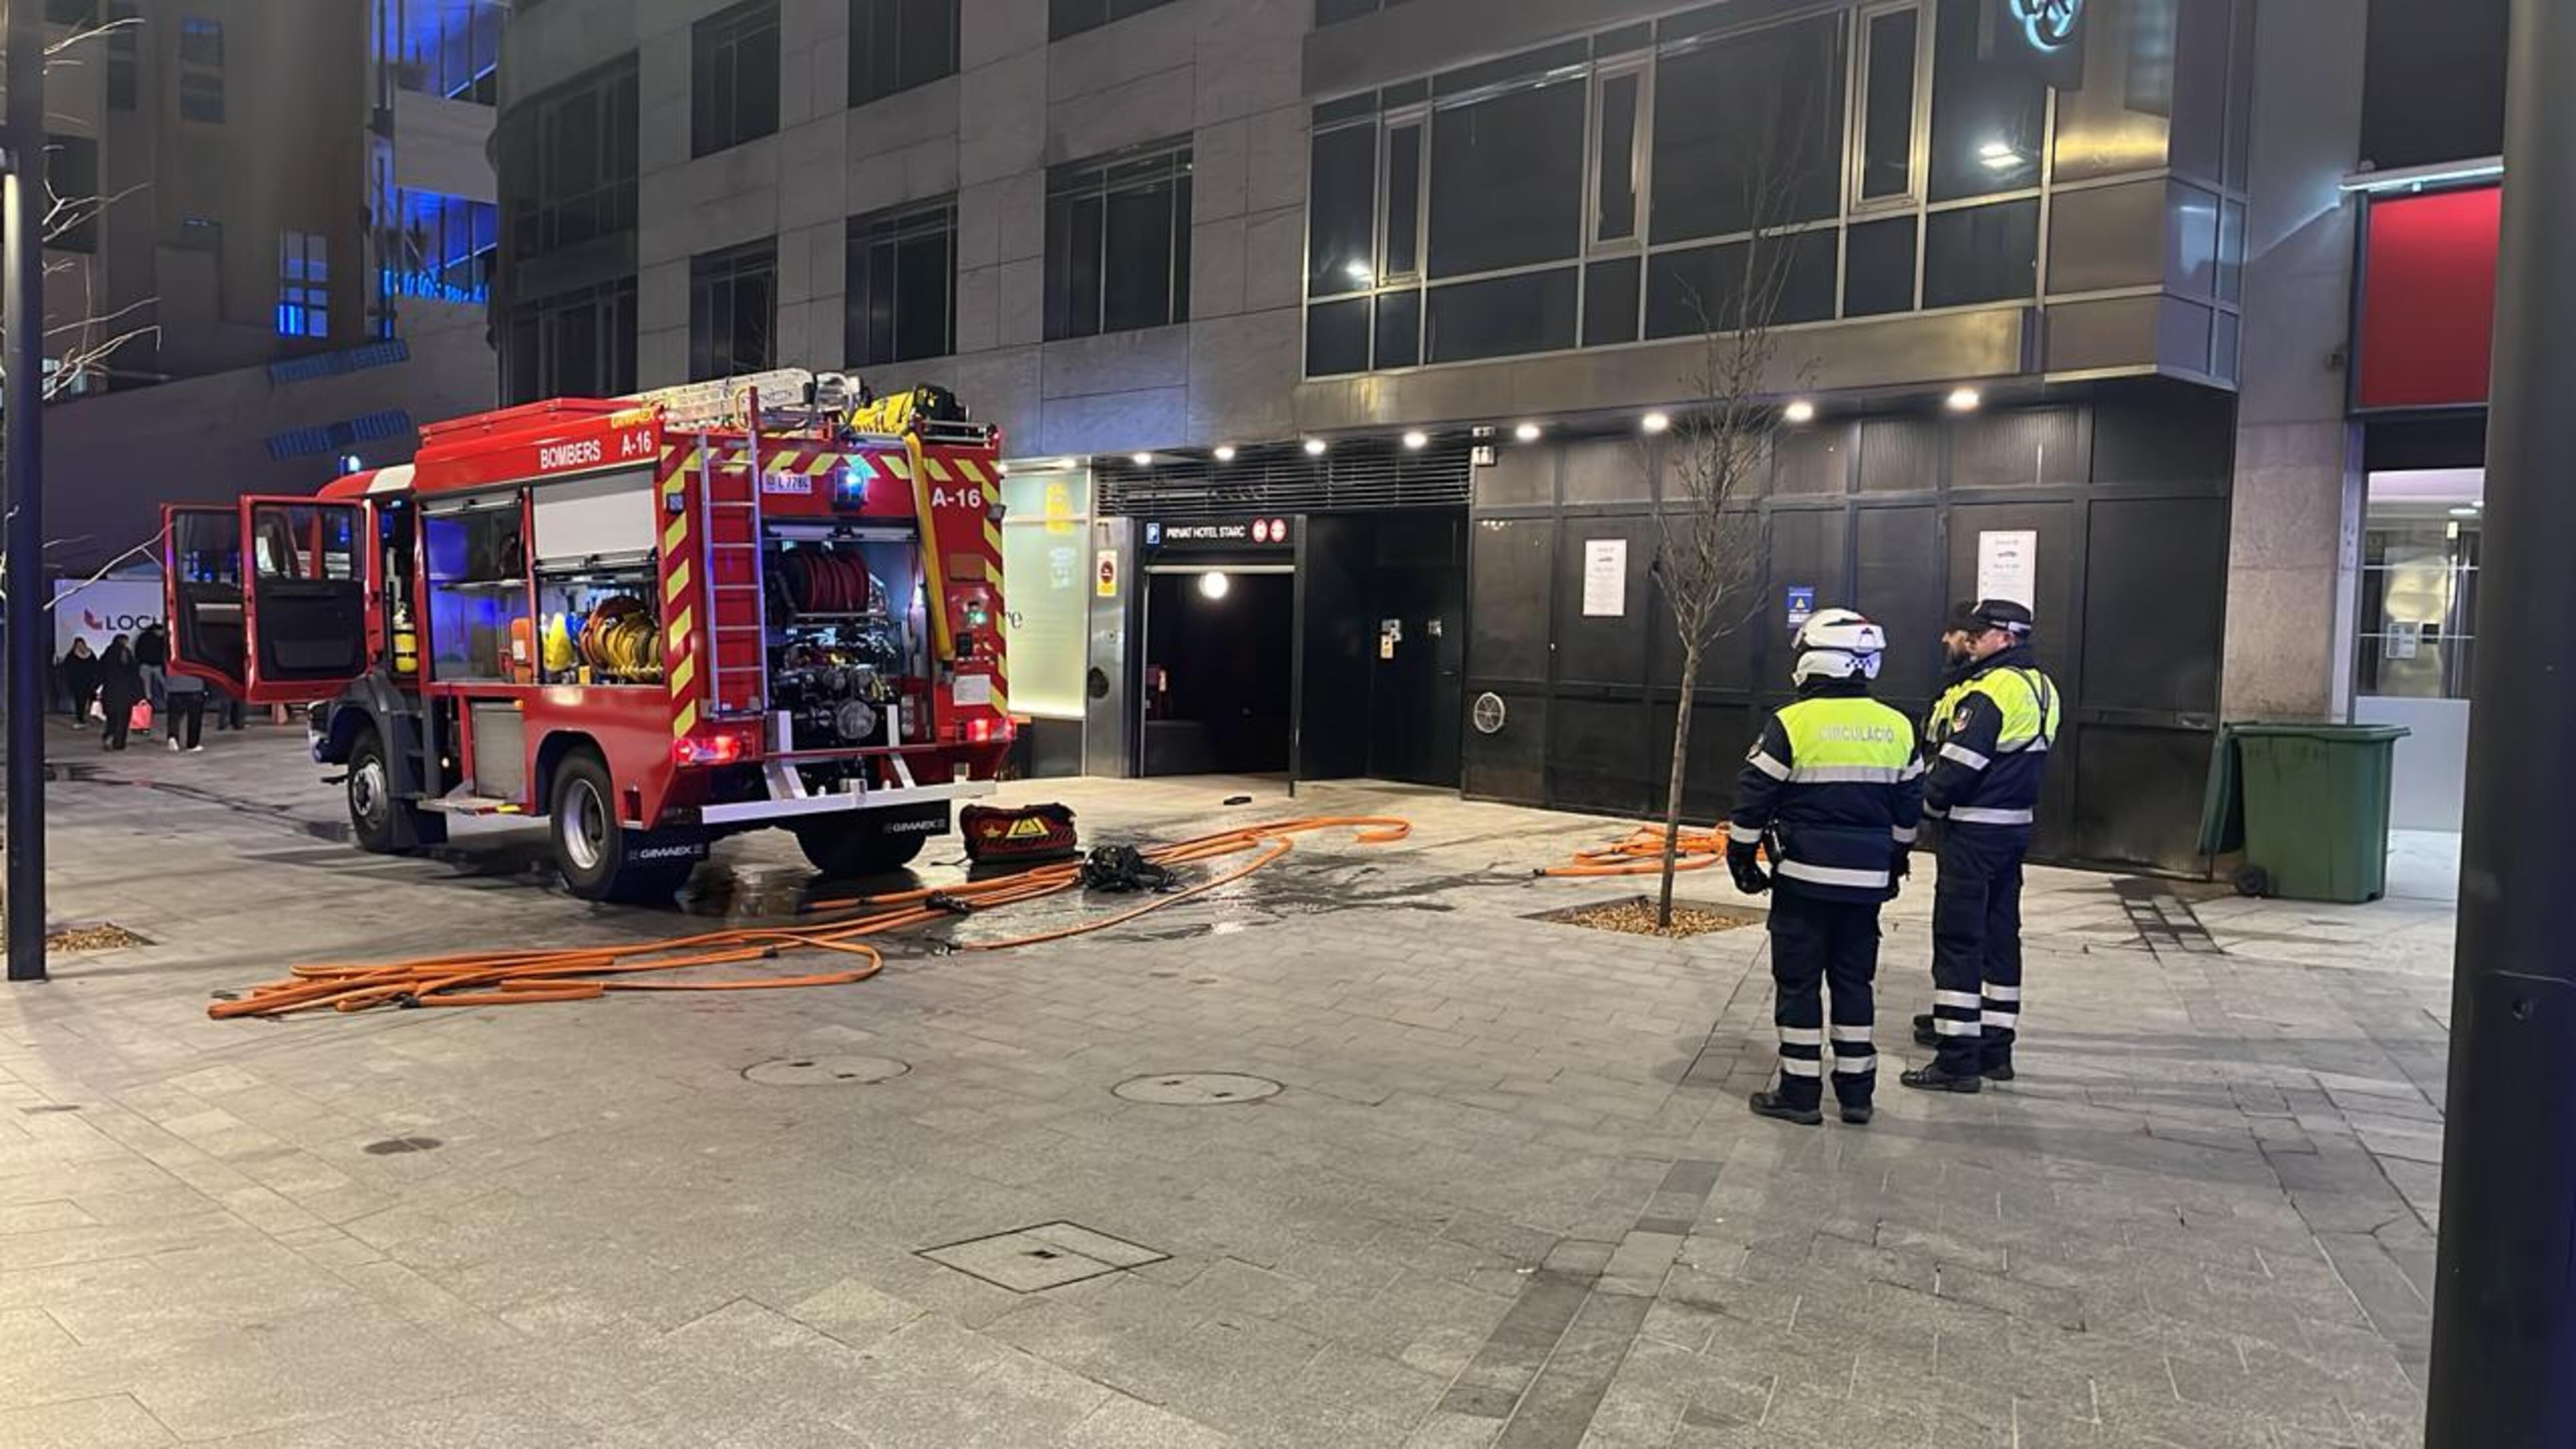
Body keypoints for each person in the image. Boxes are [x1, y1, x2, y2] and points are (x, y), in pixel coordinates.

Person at [1727, 609, 1924, 1127]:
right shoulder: (1898, 726)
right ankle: (1857, 1095)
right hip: (1864, 886)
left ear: (1815, 661)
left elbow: (1752, 799)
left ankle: (1799, 1093)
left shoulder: (1791, 723)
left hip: (1803, 881)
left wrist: (1741, 857)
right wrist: (1892, 861)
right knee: (1853, 984)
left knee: (1797, 985)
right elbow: (1908, 816)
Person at [1904, 599, 2062, 1094]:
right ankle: (1995, 1047)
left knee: (1958, 938)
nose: (1969, 640)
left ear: (2006, 638)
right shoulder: (2041, 687)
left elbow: (1956, 768)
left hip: (1972, 833)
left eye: (1980, 633)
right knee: (1999, 935)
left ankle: (1956, 1059)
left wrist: (1914, 813)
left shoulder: (1991, 691)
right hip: (2012, 830)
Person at [97, 635, 144, 752]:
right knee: (123, 719)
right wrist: (139, 695)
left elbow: (100, 673)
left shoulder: (107, 655)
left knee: (112, 718)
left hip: (111, 692)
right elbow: (135, 676)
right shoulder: (127, 655)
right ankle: (119, 743)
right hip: (126, 693)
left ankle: (109, 735)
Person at [133, 623, 169, 736]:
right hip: (154, 665)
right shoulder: (161, 640)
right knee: (164, 684)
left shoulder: (143, 638)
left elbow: (138, 651)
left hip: (146, 664)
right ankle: (166, 702)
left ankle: (148, 706)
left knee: (146, 687)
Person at [165, 668, 207, 753]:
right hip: (195, 686)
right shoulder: (198, 655)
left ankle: (173, 736)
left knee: (174, 716)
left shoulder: (172, 655)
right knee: (195, 718)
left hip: (174, 686)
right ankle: (192, 744)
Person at [59, 637, 99, 726]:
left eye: (82, 644)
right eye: (78, 645)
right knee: (80, 702)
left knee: (92, 700)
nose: (80, 646)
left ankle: (91, 716)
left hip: (90, 683)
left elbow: (96, 667)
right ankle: (80, 718)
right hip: (78, 683)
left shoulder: (90, 654)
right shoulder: (71, 656)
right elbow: (67, 669)